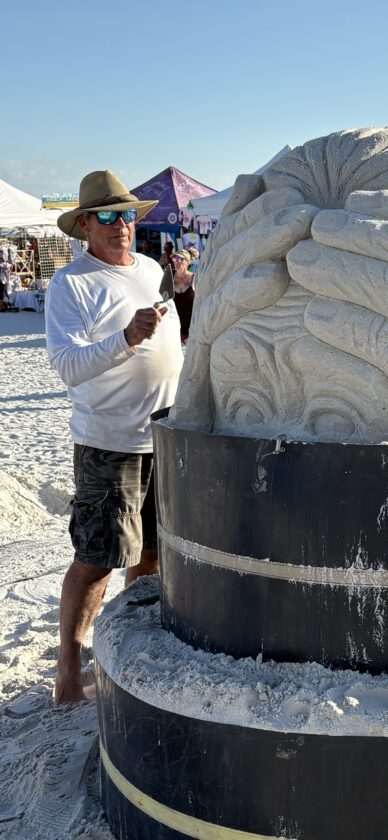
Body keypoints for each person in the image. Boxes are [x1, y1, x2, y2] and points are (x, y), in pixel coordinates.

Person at [45, 170, 183, 704]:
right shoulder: (71, 283)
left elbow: (174, 340)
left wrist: (186, 298)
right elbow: (67, 366)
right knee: (98, 558)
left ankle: (128, 656)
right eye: (107, 215)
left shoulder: (151, 269)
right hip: (110, 444)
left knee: (150, 555)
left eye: (127, 214)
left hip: (165, 439)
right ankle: (66, 675)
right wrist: (125, 339)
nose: (122, 224)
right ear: (84, 225)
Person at [172, 248, 195, 344]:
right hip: (173, 330)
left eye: (180, 259)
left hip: (191, 331)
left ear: (188, 262)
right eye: (174, 259)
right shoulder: (168, 276)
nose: (176, 262)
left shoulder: (195, 278)